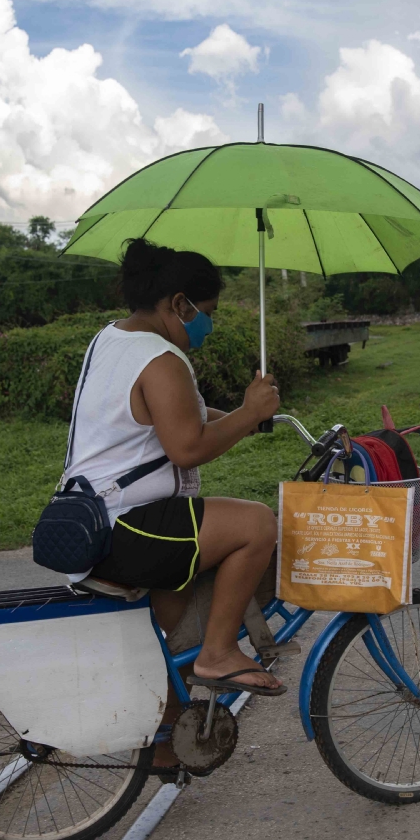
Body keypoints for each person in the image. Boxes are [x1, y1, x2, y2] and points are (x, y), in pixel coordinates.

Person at [62, 238, 284, 695]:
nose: (210, 324)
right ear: (179, 304)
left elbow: (181, 418)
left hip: (93, 519)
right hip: (128, 527)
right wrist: (248, 413)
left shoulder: (113, 339)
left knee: (166, 647)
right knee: (257, 524)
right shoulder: (161, 358)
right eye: (208, 310)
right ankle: (219, 654)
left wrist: (253, 418)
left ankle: (165, 741)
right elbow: (187, 446)